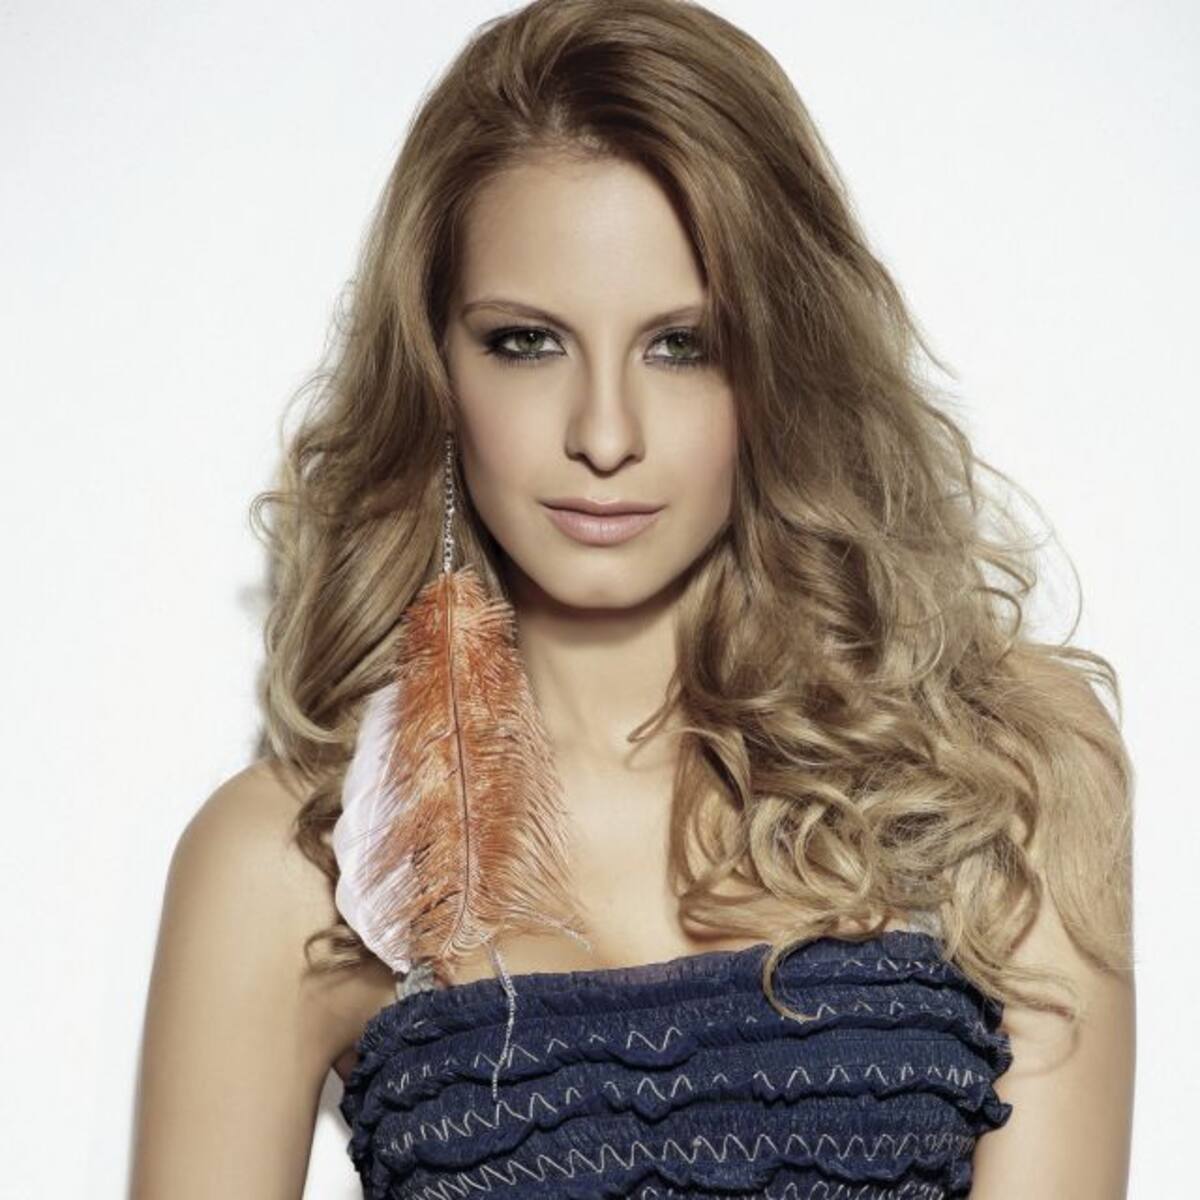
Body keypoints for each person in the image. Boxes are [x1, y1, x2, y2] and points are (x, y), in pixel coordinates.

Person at [130, 1, 1136, 1196]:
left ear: (781, 364)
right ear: (434, 368)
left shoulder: (1001, 780)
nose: (604, 435)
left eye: (682, 346)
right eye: (526, 343)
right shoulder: (285, 865)